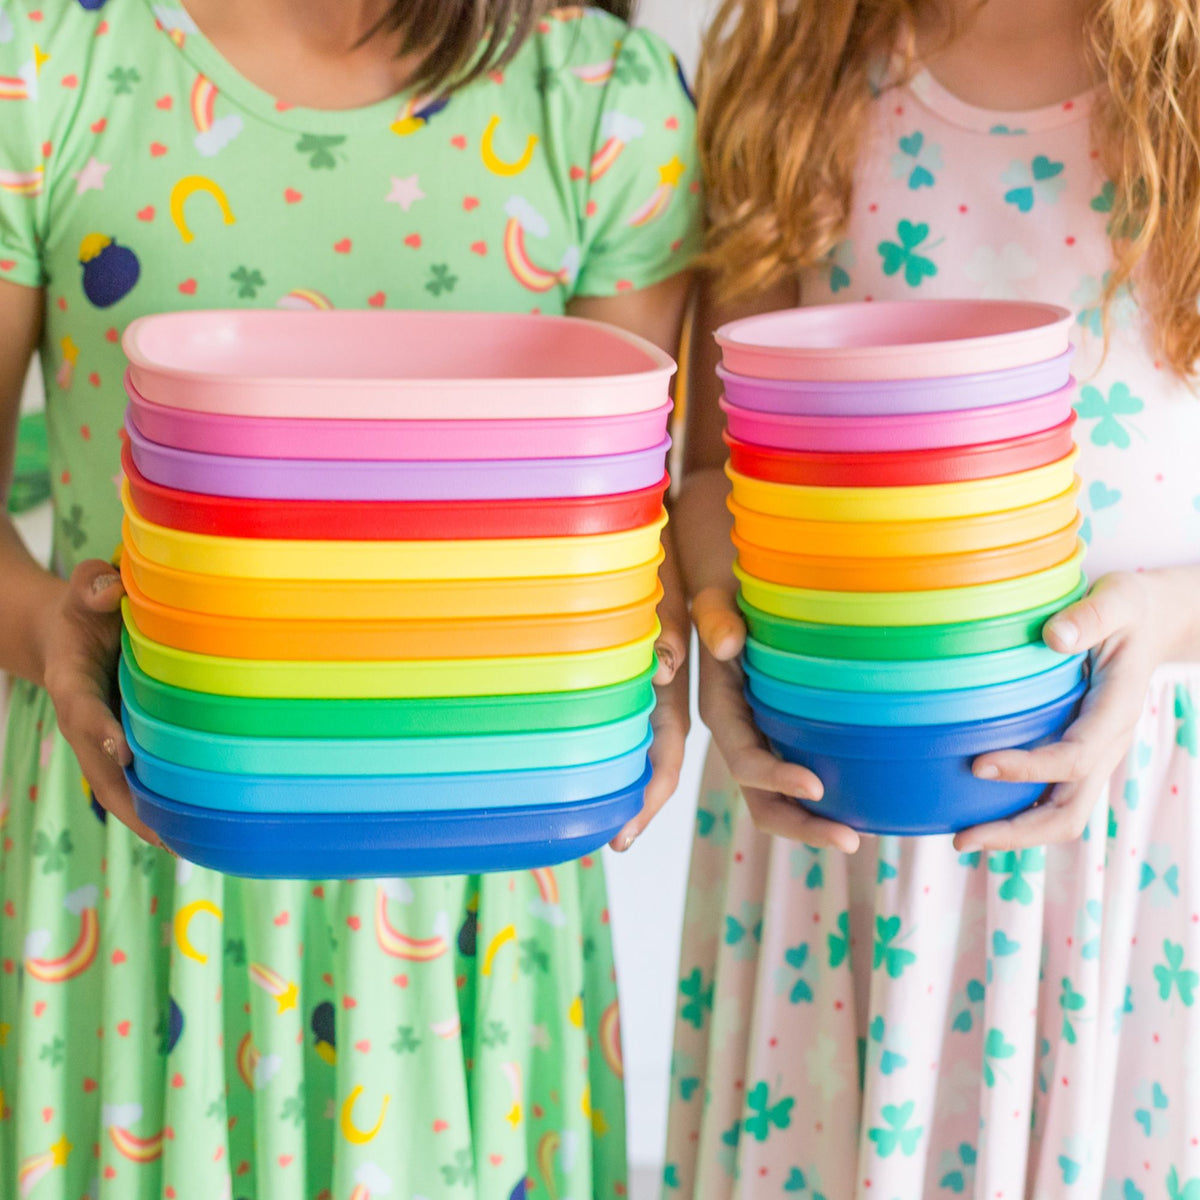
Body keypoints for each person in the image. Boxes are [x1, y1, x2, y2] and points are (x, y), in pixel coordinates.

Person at [0, 2, 701, 1196]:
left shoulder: (603, 100)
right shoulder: (45, 65)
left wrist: (651, 646)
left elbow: (621, 510)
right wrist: (43, 633)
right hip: (135, 847)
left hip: (475, 884)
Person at [665, 0, 1200, 1195]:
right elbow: (711, 476)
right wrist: (717, 626)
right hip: (832, 793)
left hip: (1141, 814)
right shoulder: (795, 66)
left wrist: (1167, 617)